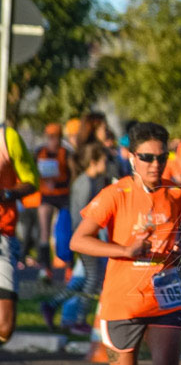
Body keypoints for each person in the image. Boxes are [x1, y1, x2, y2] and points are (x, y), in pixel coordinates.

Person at [69, 122, 181, 365]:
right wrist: (123, 251)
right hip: (121, 302)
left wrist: (179, 249)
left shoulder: (177, 194)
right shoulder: (115, 193)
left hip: (164, 298)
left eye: (161, 157)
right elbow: (79, 240)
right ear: (131, 157)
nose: (155, 164)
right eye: (147, 157)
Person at [40, 142, 110, 333]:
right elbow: (81, 216)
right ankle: (78, 319)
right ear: (94, 161)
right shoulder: (84, 182)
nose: (107, 163)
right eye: (104, 160)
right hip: (85, 237)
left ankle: (52, 305)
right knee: (93, 277)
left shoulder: (95, 180)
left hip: (93, 236)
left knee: (84, 278)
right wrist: (89, 237)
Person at [0, 124, 40, 343]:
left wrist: (7, 193)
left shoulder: (7, 137)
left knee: (5, 326)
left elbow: (32, 182)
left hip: (3, 235)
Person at [34, 123, 72, 280]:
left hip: (64, 195)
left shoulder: (66, 153)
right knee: (44, 232)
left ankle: (69, 268)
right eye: (50, 137)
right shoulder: (39, 152)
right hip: (47, 196)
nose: (53, 141)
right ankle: (45, 268)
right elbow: (32, 171)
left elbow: (73, 174)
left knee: (65, 232)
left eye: (56, 137)